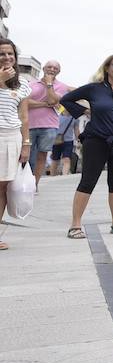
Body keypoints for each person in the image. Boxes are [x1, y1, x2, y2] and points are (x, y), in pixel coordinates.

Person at [62, 55, 113, 239]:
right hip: (96, 140)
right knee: (88, 181)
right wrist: (85, 111)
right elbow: (66, 100)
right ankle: (75, 225)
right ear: (107, 67)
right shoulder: (94, 88)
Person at [0, 39, 32, 249]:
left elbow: (24, 116)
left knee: (2, 186)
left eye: (10, 54)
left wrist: (26, 144)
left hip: (11, 137)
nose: (7, 57)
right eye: (2, 54)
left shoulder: (22, 85)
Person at [25, 60, 68, 190]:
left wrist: (49, 84)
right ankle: (25, 181)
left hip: (49, 126)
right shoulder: (31, 84)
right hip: (29, 124)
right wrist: (44, 104)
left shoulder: (61, 86)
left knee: (42, 155)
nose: (52, 69)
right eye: (49, 67)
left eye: (55, 68)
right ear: (43, 68)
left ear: (59, 71)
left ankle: (35, 184)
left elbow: (53, 100)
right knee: (27, 155)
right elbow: (25, 102)